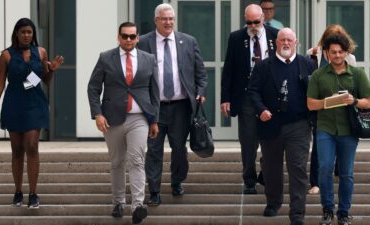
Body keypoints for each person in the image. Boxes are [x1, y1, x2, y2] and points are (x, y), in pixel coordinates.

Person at [87, 22, 159, 224]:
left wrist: (154, 120)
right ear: (118, 37)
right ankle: (118, 202)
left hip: (140, 118)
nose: (128, 40)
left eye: (132, 36)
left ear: (137, 38)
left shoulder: (148, 59)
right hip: (112, 118)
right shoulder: (105, 58)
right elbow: (93, 87)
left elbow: (155, 92)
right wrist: (97, 114)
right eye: (124, 36)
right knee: (117, 162)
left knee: (137, 160)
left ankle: (137, 205)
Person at [137, 3, 207, 206]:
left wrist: (200, 93)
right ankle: (155, 191)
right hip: (154, 108)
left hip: (180, 106)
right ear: (156, 20)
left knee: (179, 149)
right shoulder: (143, 42)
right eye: (164, 18)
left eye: (171, 19)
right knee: (154, 150)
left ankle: (177, 181)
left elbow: (201, 74)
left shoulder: (188, 41)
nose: (168, 22)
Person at [248, 28, 316, 225]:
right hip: (270, 126)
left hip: (299, 125)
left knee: (298, 169)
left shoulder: (308, 64)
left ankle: (297, 214)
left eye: (290, 40)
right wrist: (260, 110)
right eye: (282, 40)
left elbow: (316, 91)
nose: (286, 43)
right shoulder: (263, 67)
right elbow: (253, 92)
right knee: (271, 168)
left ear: (296, 43)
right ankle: (273, 202)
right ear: (275, 43)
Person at [0, 18, 63, 209]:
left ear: (33, 35)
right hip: (14, 102)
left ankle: (33, 194)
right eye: (23, 32)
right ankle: (18, 191)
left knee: (32, 146)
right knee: (17, 150)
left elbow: (44, 80)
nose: (26, 35)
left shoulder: (40, 52)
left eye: (30, 32)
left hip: (35, 102)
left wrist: (52, 70)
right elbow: (0, 84)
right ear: (16, 33)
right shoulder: (6, 56)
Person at [307, 34, 370, 225]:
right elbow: (310, 104)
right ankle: (327, 209)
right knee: (325, 168)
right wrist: (329, 102)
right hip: (325, 128)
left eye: (341, 52)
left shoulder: (357, 74)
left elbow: (368, 101)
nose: (337, 55)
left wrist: (355, 101)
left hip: (349, 130)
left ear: (346, 52)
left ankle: (344, 212)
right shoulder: (318, 75)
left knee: (346, 173)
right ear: (326, 53)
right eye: (333, 52)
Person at [220, 3, 278, 194]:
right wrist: (225, 98)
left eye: (256, 21)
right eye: (249, 22)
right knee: (248, 140)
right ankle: (249, 179)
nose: (252, 26)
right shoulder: (237, 37)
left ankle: (267, 173)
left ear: (263, 18)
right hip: (245, 95)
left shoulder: (275, 35)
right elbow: (229, 68)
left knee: (272, 138)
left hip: (270, 95)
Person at [306, 24, 357, 195]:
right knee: (319, 149)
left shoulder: (350, 59)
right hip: (320, 110)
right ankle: (315, 182)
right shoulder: (316, 53)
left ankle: (336, 172)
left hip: (343, 111)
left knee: (342, 150)